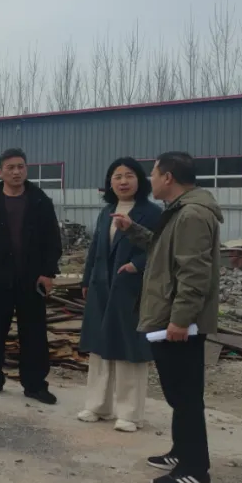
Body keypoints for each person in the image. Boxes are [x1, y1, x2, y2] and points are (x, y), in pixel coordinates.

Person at [112, 152, 222, 483]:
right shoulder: (179, 212)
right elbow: (164, 251)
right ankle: (181, 452)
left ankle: (196, 472)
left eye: (154, 173)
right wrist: (134, 231)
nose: (151, 179)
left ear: (169, 177)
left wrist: (180, 320)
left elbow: (194, 273)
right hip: (171, 318)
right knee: (178, 393)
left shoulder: (191, 215)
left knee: (186, 396)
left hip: (179, 324)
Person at [0, 148, 62, 405]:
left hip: (32, 279)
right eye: (10, 168)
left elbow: (52, 240)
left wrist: (48, 272)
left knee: (34, 334)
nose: (16, 172)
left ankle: (35, 385)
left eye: (21, 167)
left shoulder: (40, 201)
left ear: (26, 169)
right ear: (0, 172)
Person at [77, 158, 161, 432]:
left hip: (131, 288)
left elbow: (161, 248)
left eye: (129, 176)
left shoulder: (152, 213)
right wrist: (87, 279)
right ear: (110, 182)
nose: (123, 181)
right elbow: (95, 249)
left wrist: (137, 265)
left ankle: (129, 414)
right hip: (102, 287)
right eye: (117, 176)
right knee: (100, 346)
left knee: (129, 349)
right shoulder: (107, 212)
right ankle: (98, 406)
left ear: (140, 180)